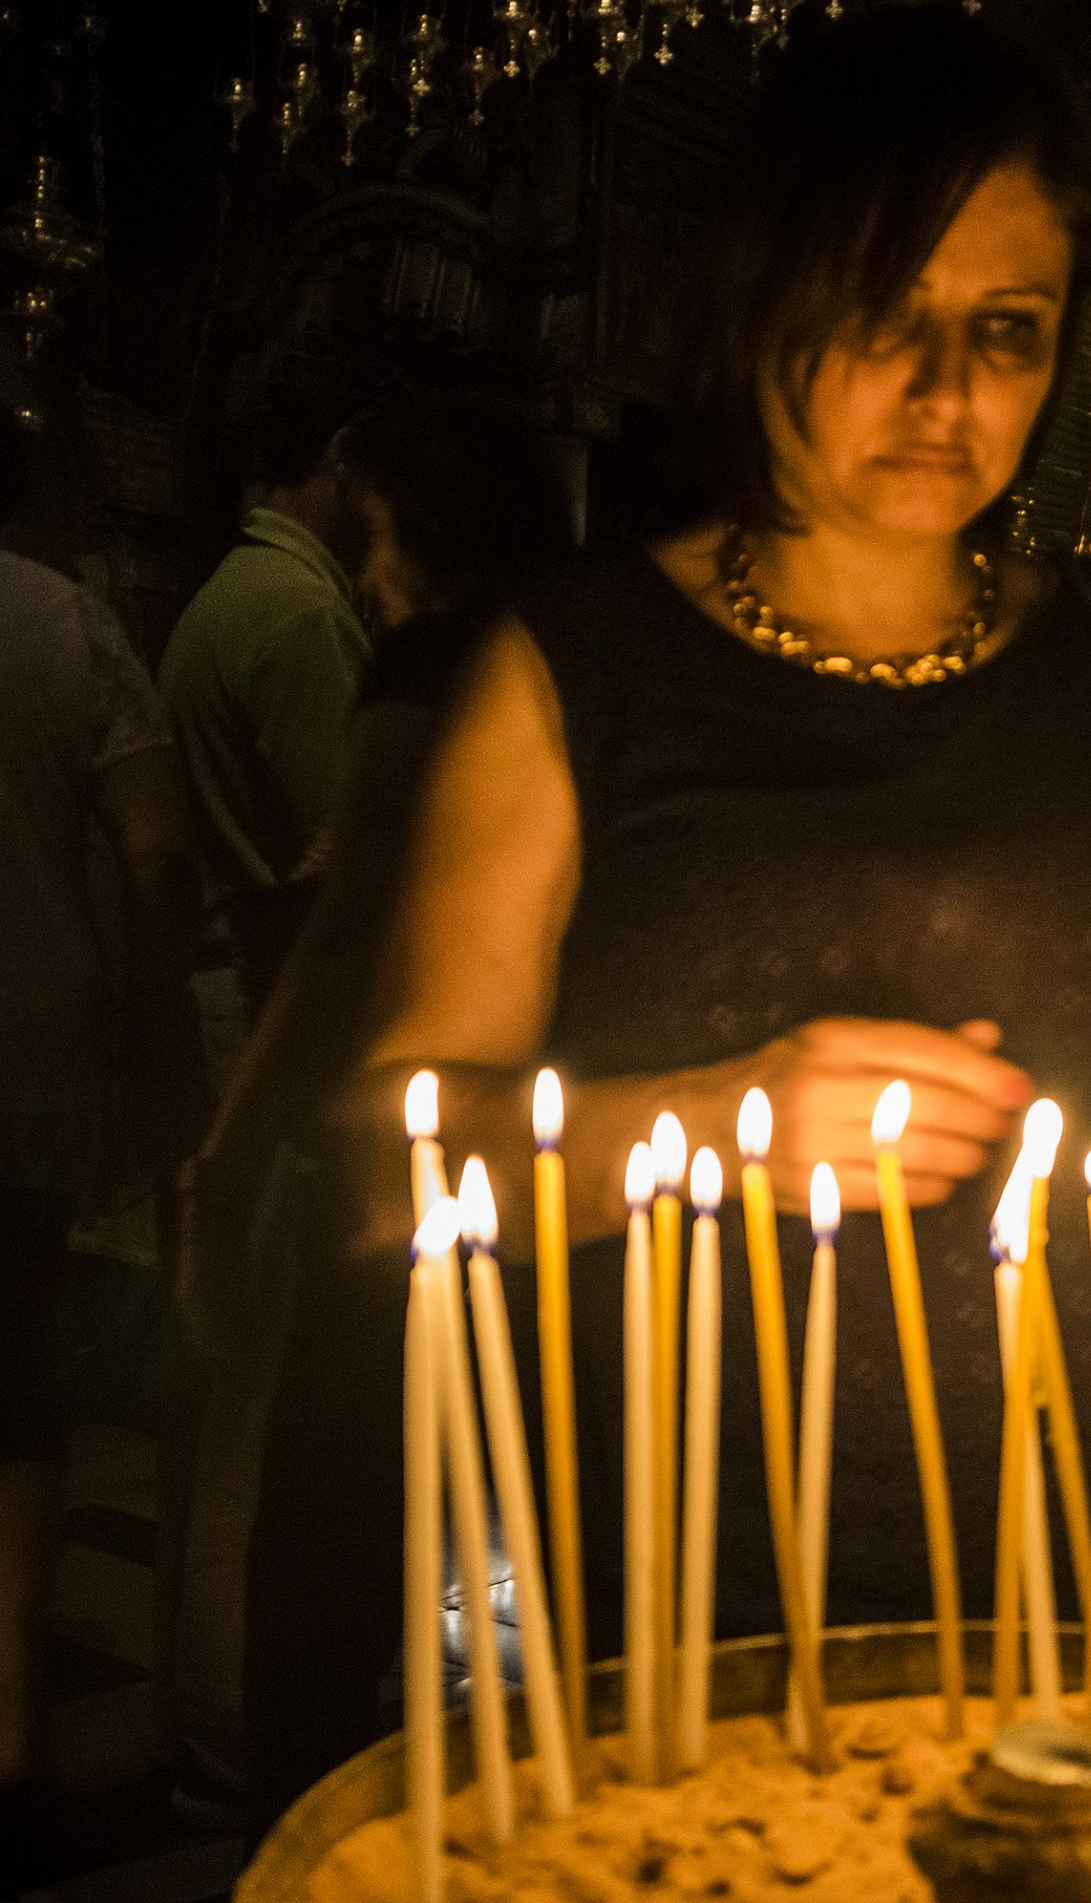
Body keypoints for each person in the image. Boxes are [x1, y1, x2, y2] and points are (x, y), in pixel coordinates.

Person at [247, 7, 1091, 1829]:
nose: (945, 396)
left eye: (1004, 335)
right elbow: (388, 1163)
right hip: (681, 1614)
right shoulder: (571, 672)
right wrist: (719, 1118)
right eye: (881, 319)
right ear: (760, 303)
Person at [171, 393, 576, 1821]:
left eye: (382, 530)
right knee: (510, 1517)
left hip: (397, 1142)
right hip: (535, 1139)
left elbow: (352, 926)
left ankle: (303, 1813)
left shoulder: (439, 663)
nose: (371, 560)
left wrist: (232, 1147)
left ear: (411, 515)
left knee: (332, 1509)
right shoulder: (583, 652)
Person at [0, 419, 204, 1847]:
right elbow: (155, 848)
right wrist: (153, 1032)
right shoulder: (65, 623)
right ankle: (8, 1720)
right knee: (18, 1379)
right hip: (28, 1040)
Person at [159, 378, 376, 1013]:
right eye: (398, 476)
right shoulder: (300, 612)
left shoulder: (246, 582)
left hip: (229, 979)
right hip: (267, 989)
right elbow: (356, 836)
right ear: (344, 457)